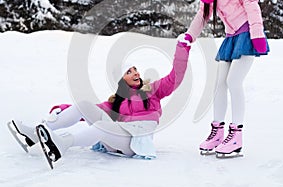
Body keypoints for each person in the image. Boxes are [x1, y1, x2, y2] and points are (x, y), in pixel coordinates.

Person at [8, 34, 192, 166]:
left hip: (133, 143)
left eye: (135, 69)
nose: (135, 73)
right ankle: (34, 135)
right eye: (129, 72)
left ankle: (63, 144)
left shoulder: (152, 90)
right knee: (83, 105)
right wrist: (62, 108)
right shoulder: (117, 101)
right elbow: (87, 111)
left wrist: (182, 49)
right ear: (121, 80)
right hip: (115, 139)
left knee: (104, 126)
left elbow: (176, 77)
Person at [182, 0, 269, 157]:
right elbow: (203, 13)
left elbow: (250, 0)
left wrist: (257, 33)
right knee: (219, 84)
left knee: (233, 81)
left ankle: (236, 135)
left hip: (247, 32)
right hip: (231, 36)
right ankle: (217, 132)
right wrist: (189, 36)